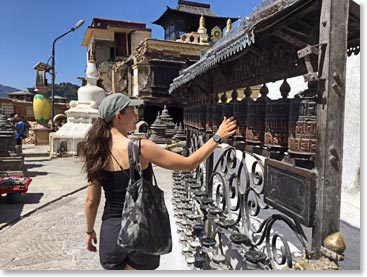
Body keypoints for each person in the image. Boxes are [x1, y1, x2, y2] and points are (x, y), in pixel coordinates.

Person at [79, 93, 237, 270]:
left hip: (111, 234)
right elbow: (189, 164)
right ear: (118, 116)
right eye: (132, 110)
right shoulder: (140, 147)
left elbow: (92, 202)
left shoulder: (95, 152)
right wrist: (217, 138)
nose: (136, 115)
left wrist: (89, 231)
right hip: (141, 229)